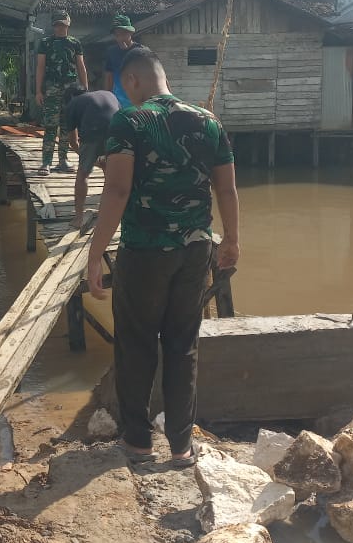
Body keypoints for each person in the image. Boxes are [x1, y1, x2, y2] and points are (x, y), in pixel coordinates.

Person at [86, 47, 239, 467]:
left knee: (135, 343)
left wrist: (95, 254)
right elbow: (226, 189)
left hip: (146, 251)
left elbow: (117, 190)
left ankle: (137, 442)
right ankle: (180, 446)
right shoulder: (209, 121)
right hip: (196, 250)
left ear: (132, 80)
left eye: (124, 85)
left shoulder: (130, 120)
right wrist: (232, 241)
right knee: (182, 345)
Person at [61, 84, 120, 229]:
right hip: (117, 130)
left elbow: (73, 142)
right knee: (110, 173)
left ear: (71, 97)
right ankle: (108, 214)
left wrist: (88, 160)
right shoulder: (107, 93)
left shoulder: (73, 103)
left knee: (83, 174)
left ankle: (79, 218)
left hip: (92, 132)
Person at [35, 11, 87, 176]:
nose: (60, 27)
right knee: (51, 125)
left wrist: (85, 89)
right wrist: (38, 91)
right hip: (51, 88)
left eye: (63, 24)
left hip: (70, 89)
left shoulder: (75, 43)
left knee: (67, 126)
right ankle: (46, 162)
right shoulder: (45, 43)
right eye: (57, 24)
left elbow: (81, 66)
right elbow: (40, 67)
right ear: (53, 25)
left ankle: (63, 159)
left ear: (68, 24)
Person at [104, 14, 143, 109]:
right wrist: (107, 98)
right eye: (117, 35)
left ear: (131, 33)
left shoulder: (141, 51)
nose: (120, 38)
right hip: (118, 102)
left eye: (123, 34)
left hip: (138, 102)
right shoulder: (112, 52)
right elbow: (109, 76)